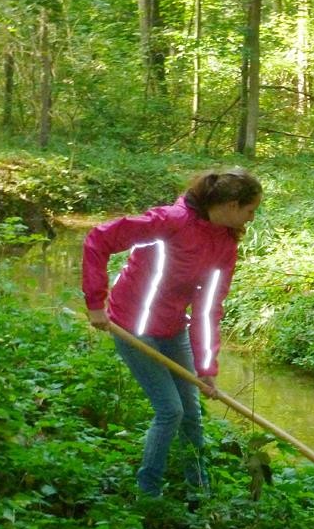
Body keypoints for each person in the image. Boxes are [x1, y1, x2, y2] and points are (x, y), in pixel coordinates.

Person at [82, 167, 263, 498]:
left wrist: (206, 368)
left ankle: (199, 491)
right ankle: (148, 494)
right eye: (250, 210)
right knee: (171, 411)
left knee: (192, 414)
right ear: (232, 205)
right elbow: (99, 238)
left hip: (172, 328)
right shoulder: (169, 222)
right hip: (133, 327)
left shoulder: (224, 245)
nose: (251, 219)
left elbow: (208, 309)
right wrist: (95, 302)